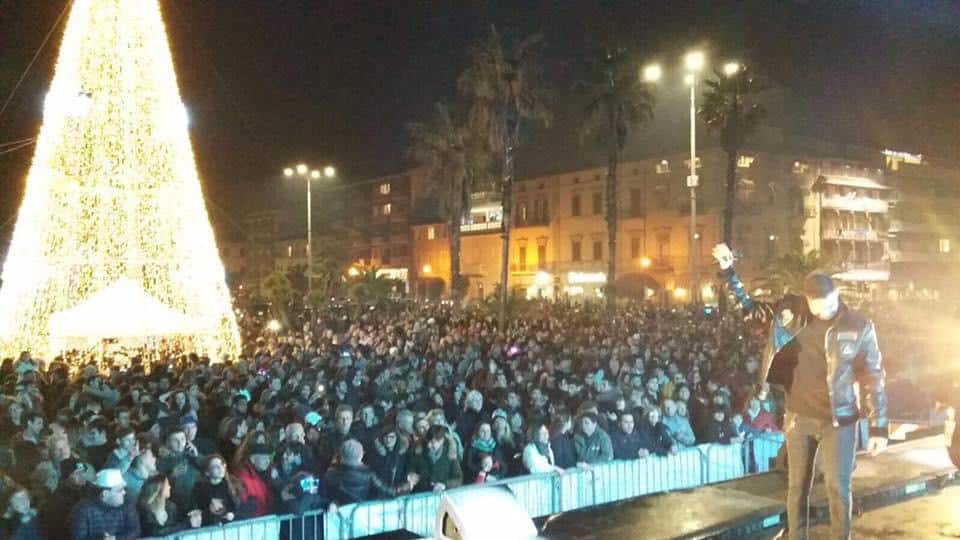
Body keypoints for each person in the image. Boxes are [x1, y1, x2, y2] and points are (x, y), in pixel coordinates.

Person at [769, 272, 888, 540]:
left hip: (840, 418)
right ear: (808, 301)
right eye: (818, 304)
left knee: (837, 486)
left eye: (830, 301)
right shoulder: (795, 318)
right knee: (797, 487)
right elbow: (753, 311)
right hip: (799, 418)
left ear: (837, 294)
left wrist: (879, 426)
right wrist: (730, 272)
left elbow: (873, 375)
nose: (825, 308)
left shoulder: (858, 325)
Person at [323, 439, 413, 504]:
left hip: (334, 521)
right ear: (360, 455)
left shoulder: (330, 473)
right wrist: (408, 486)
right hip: (361, 517)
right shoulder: (367, 474)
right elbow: (388, 492)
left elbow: (324, 495)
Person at [69, 468, 140, 540]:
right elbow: (77, 538)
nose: (124, 493)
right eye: (120, 490)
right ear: (105, 493)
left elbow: (135, 530)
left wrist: (115, 538)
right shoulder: (83, 509)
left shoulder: (126, 503)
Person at [138, 475, 202, 536]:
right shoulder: (144, 511)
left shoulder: (171, 507)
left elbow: (179, 520)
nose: (169, 487)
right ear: (159, 488)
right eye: (167, 485)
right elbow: (156, 532)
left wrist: (191, 514)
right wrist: (187, 524)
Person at [408, 425, 463, 493]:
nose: (429, 445)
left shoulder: (450, 455)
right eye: (428, 441)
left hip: (441, 496)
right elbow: (410, 468)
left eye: (433, 442)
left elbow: (458, 479)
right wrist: (411, 476)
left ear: (442, 441)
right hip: (420, 493)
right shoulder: (419, 451)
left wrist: (445, 485)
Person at [190, 454, 241, 526]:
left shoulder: (233, 485)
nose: (221, 468)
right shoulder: (199, 488)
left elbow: (238, 507)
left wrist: (233, 514)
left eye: (222, 464)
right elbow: (197, 510)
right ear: (207, 472)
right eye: (216, 467)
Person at [234, 443, 278, 518]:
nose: (268, 461)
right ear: (252, 459)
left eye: (269, 458)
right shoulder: (243, 478)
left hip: (268, 521)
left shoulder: (270, 474)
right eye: (264, 458)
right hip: (254, 523)